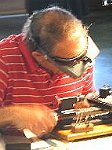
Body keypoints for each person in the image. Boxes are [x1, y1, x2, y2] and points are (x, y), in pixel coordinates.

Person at [0, 6, 99, 137]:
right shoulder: (4, 60)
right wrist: (14, 114)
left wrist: (89, 104)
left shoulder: (80, 55)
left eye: (82, 55)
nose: (80, 65)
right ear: (39, 56)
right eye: (70, 63)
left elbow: (89, 96)